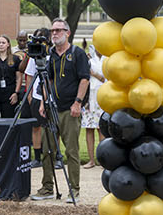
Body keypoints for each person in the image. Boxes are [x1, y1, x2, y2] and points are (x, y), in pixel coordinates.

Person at [20, 20, 89, 202]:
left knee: (71, 151)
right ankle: (47, 187)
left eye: (59, 30)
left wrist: (78, 103)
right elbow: (47, 80)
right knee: (47, 149)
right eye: (53, 30)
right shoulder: (51, 54)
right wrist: (43, 101)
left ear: (68, 32)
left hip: (70, 109)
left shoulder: (77, 53)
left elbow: (84, 79)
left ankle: (74, 189)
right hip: (52, 108)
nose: (55, 33)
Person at [81, 40, 106, 169]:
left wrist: (94, 74)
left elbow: (105, 79)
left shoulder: (108, 60)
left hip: (103, 97)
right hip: (89, 98)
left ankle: (102, 160)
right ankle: (91, 160)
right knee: (89, 129)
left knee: (101, 129)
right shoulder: (89, 59)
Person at [0, 36, 23, 118]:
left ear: (8, 44)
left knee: (8, 120)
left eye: (3, 43)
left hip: (10, 94)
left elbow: (19, 77)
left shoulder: (15, 59)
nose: (1, 45)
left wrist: (16, 93)